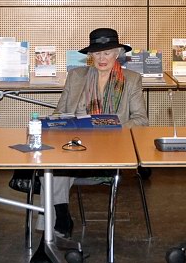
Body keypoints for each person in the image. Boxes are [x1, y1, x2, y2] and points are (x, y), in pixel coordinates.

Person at [44, 28, 149, 237]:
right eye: (97, 53)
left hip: (113, 150)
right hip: (75, 148)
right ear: (90, 55)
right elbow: (59, 113)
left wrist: (114, 128)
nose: (102, 58)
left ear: (117, 54)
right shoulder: (76, 76)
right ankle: (59, 219)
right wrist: (56, 122)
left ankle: (53, 231)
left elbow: (141, 120)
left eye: (107, 53)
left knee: (55, 170)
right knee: (50, 167)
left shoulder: (131, 79)